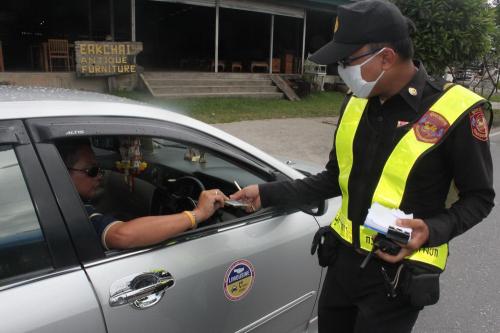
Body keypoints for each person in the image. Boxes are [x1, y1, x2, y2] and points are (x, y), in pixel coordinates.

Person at [231, 1, 494, 332]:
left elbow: (480, 198)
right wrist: (266, 194)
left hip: (397, 277)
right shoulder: (355, 103)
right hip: (343, 265)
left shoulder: (456, 111)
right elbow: (334, 178)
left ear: (385, 57)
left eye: (347, 61)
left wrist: (433, 229)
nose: (341, 70)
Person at [58, 139, 226, 250]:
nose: (100, 175)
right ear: (63, 173)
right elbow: (121, 236)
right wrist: (197, 214)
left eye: (100, 169)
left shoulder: (57, 203)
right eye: (92, 170)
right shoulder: (75, 215)